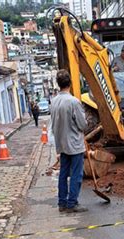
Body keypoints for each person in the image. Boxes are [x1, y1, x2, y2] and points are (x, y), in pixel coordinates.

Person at [50, 69, 88, 213]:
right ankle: (72, 203)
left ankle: (62, 203)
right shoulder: (73, 102)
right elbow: (82, 124)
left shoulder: (54, 102)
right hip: (75, 144)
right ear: (70, 83)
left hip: (61, 144)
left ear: (58, 84)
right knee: (76, 175)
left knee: (63, 174)